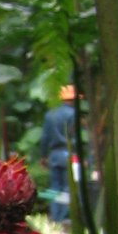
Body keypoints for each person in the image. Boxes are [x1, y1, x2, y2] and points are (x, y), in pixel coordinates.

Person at [40, 85, 76, 224]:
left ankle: (55, 217)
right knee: (68, 187)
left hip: (54, 154)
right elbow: (75, 138)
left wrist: (43, 156)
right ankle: (62, 217)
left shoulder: (50, 114)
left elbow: (45, 138)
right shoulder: (72, 114)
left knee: (55, 186)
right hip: (68, 153)